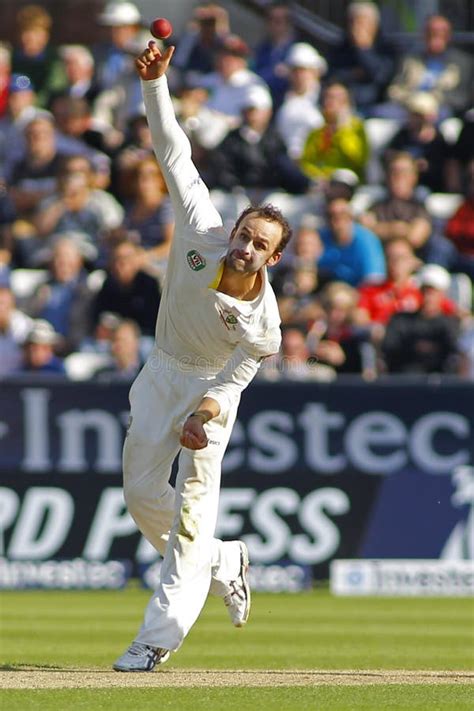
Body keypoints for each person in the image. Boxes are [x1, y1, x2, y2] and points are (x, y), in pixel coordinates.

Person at [113, 41, 291, 673]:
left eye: (259, 244)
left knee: (191, 516)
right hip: (160, 370)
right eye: (244, 234)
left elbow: (243, 369)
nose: (244, 246)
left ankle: (155, 640)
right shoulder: (200, 229)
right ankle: (223, 560)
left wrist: (210, 407)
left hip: (210, 391)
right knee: (139, 495)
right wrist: (156, 84)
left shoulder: (264, 316)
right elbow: (173, 152)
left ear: (273, 259)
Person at [327, 1, 396, 117]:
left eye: (361, 23)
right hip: (344, 105)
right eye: (352, 23)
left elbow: (381, 77)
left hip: (375, 107)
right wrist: (354, 74)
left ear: (374, 25)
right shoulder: (341, 47)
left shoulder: (386, 48)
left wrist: (363, 49)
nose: (356, 28)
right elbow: (333, 76)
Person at [318, 196, 386, 286]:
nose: (336, 220)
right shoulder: (321, 237)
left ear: (351, 217)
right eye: (331, 215)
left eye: (342, 215)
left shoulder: (366, 240)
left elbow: (374, 280)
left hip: (360, 292)